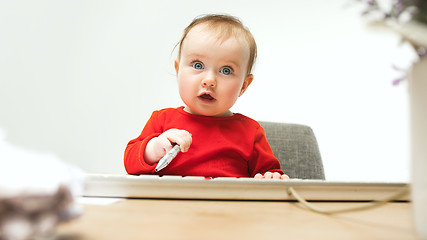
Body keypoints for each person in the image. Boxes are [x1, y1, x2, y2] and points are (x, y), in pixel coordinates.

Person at [124, 14, 288, 180]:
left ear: (243, 86)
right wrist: (154, 148)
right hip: (171, 203)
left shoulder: (251, 132)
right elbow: (130, 163)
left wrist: (271, 177)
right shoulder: (162, 120)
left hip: (229, 204)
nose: (209, 81)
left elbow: (271, 174)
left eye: (226, 70)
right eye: (198, 65)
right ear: (178, 70)